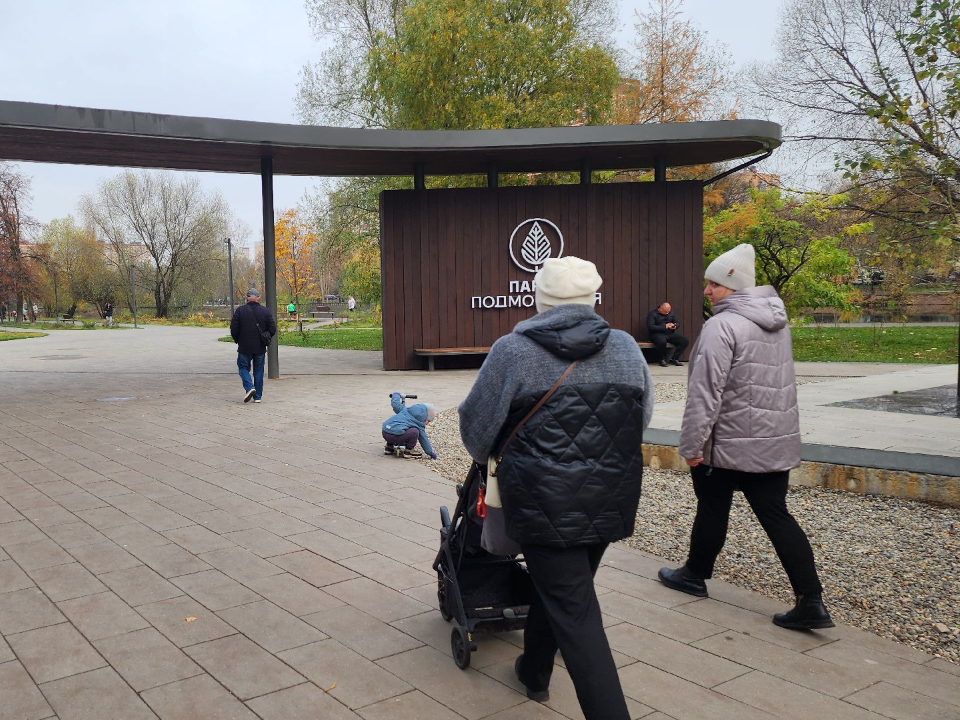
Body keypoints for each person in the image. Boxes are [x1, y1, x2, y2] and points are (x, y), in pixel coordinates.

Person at [459, 257, 652, 720]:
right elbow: (640, 421)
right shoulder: (626, 348)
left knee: (577, 612)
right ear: (592, 300)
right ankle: (534, 672)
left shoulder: (514, 351)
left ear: (540, 301)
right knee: (568, 590)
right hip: (609, 497)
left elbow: (475, 429)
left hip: (541, 501)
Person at [658, 243, 833, 631]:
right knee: (776, 515)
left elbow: (706, 393)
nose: (707, 291)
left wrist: (691, 446)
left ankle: (694, 574)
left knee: (712, 506)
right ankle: (811, 601)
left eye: (713, 284)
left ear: (731, 285)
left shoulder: (721, 326)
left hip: (727, 444)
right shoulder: (777, 324)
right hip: (773, 440)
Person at [230, 288, 276, 404]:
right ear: (258, 297)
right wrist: (265, 338)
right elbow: (272, 329)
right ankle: (258, 397)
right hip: (260, 347)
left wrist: (237, 340)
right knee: (259, 371)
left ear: (247, 298)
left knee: (243, 368)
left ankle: (250, 387)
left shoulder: (240, 311)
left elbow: (234, 328)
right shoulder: (265, 311)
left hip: (244, 346)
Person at [382, 393, 437, 459]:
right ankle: (408, 451)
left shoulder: (405, 409)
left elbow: (395, 404)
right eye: (428, 420)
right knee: (414, 432)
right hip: (395, 436)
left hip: (385, 432)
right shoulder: (419, 423)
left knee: (396, 426)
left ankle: (389, 447)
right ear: (425, 416)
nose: (427, 423)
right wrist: (430, 452)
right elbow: (423, 439)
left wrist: (396, 395)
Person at [646, 302, 689, 367]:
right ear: (660, 309)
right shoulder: (652, 314)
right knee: (662, 342)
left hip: (669, 333)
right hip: (657, 334)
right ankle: (661, 359)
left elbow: (677, 322)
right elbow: (651, 327)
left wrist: (675, 325)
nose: (667, 313)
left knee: (684, 340)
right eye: (665, 311)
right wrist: (665, 326)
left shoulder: (671, 313)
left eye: (668, 311)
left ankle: (674, 358)